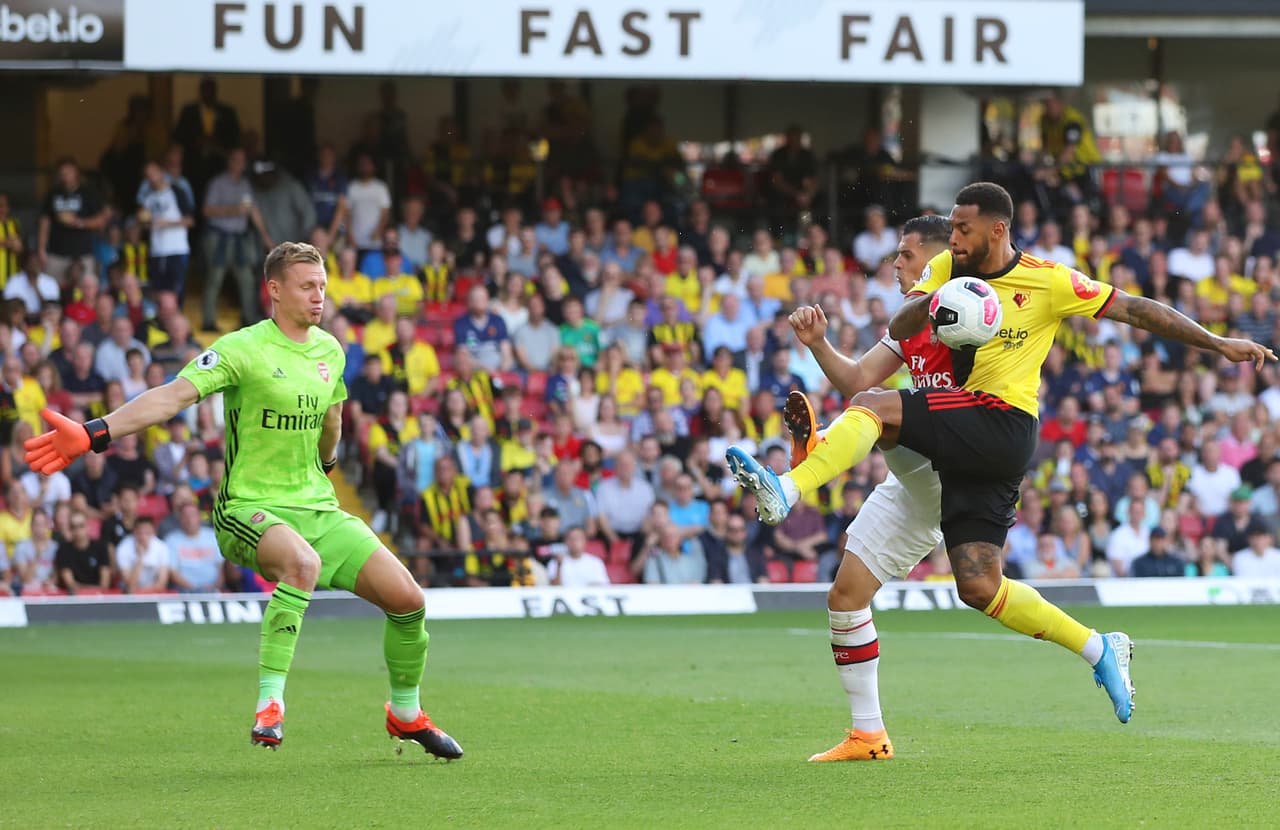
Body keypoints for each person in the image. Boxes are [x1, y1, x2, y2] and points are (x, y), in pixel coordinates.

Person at [728, 182, 1274, 755]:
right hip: (942, 455)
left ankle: (791, 484)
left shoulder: (1048, 280)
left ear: (997, 229)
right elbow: (888, 341)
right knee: (966, 585)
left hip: (1000, 425)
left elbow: (1137, 310)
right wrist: (932, 298)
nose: (951, 242)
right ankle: (1089, 651)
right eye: (950, 232)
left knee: (875, 410)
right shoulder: (942, 275)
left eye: (961, 231)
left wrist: (1217, 343)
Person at [24, 241, 461, 758]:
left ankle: (405, 715)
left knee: (409, 601)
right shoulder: (240, 349)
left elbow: (333, 419)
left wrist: (327, 463)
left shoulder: (330, 350)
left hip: (316, 507)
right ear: (274, 290)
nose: (318, 295)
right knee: (302, 563)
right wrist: (97, 432)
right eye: (306, 286)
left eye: (322, 285)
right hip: (246, 509)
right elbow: (173, 395)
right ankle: (270, 704)